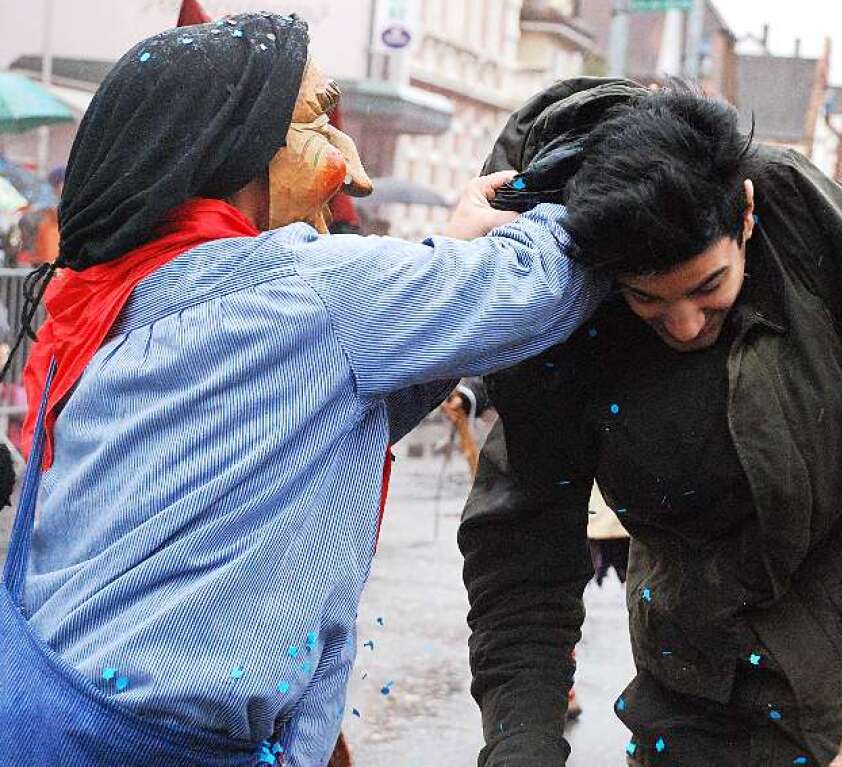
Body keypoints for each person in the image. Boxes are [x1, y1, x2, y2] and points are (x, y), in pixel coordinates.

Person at [0, 15, 607, 767]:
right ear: (233, 151)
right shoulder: (304, 294)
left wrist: (451, 251)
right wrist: (613, 173)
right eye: (318, 122)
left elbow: (329, 410)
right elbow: (539, 286)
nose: (356, 174)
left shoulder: (120, 300)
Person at [459, 80, 842, 767]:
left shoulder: (800, 215)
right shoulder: (557, 290)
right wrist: (522, 746)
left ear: (746, 216)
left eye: (708, 287)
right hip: (701, 706)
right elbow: (522, 559)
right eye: (648, 301)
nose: (687, 325)